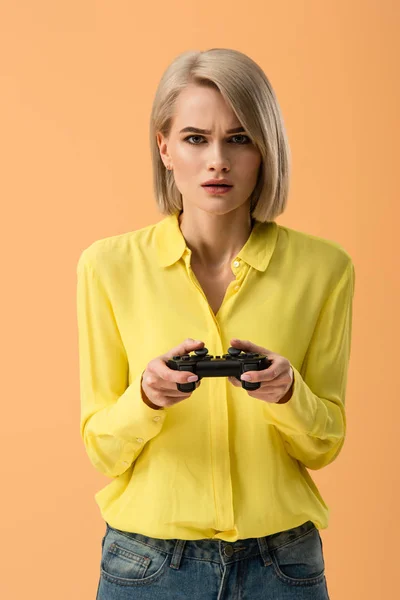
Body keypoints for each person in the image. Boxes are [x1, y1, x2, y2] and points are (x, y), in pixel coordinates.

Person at [76, 47, 355, 599]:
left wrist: (288, 393)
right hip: (148, 565)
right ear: (165, 148)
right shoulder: (107, 267)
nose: (218, 161)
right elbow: (102, 449)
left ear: (265, 150)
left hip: (283, 564)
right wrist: (147, 398)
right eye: (196, 138)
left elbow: (322, 446)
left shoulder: (325, 269)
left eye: (240, 138)